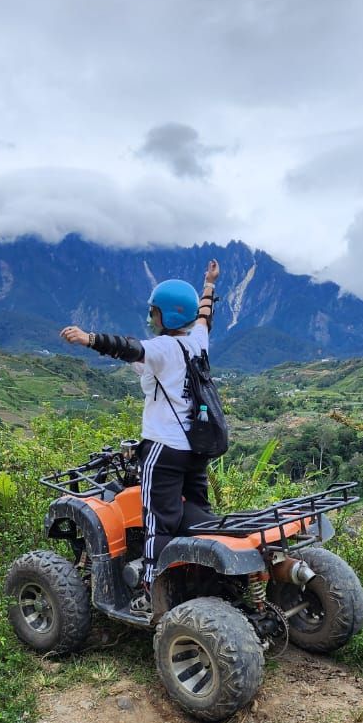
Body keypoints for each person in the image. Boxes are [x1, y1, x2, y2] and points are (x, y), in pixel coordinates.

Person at [60, 259, 220, 617]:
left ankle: (151, 592)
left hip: (164, 450)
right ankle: (205, 578)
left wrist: (88, 339)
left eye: (155, 312)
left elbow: (128, 348)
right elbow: (205, 317)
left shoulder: (162, 349)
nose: (151, 318)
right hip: (195, 450)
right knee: (198, 515)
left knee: (156, 522)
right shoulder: (197, 341)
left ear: (168, 316)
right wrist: (209, 285)